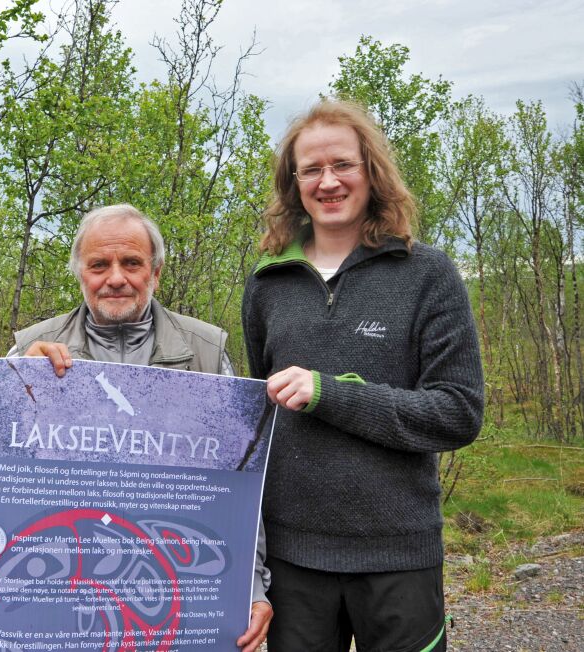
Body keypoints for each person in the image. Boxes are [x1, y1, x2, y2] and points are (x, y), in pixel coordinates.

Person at [239, 100, 484, 652]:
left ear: (371, 172)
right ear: (293, 182)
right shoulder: (267, 283)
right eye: (311, 170)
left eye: (343, 165)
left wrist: (330, 393)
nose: (328, 182)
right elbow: (264, 419)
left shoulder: (429, 274)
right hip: (293, 555)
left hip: (400, 553)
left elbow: (458, 413)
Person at [11, 203, 273, 648]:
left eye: (131, 263)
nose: (116, 278)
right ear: (80, 273)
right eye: (99, 265)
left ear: (155, 272)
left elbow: (237, 479)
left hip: (176, 583)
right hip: (70, 592)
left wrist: (250, 585)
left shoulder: (205, 351)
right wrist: (12, 380)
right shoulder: (32, 349)